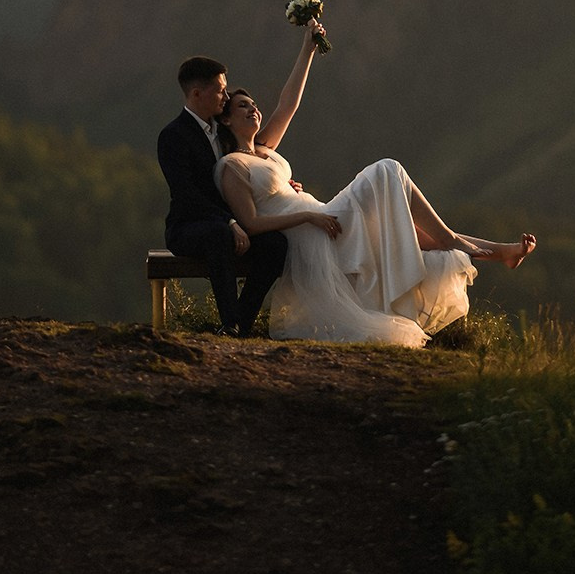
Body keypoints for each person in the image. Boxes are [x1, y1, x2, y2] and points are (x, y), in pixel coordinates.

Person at [214, 19, 536, 347]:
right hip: (311, 234)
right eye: (243, 105)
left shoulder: (265, 149)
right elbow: (251, 223)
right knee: (386, 170)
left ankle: (500, 252)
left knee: (403, 228)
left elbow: (288, 104)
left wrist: (308, 48)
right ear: (226, 119)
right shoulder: (232, 166)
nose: (254, 108)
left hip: (323, 217)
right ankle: (456, 239)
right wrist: (307, 216)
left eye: (253, 104)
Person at [156, 55, 288, 337]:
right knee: (218, 235)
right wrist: (229, 222)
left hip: (235, 223)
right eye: (219, 90)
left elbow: (249, 167)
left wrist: (282, 185)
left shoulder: (226, 130)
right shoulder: (173, 136)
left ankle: (243, 320)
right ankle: (230, 323)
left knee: (276, 243)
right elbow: (186, 194)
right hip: (190, 227)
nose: (225, 97)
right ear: (196, 94)